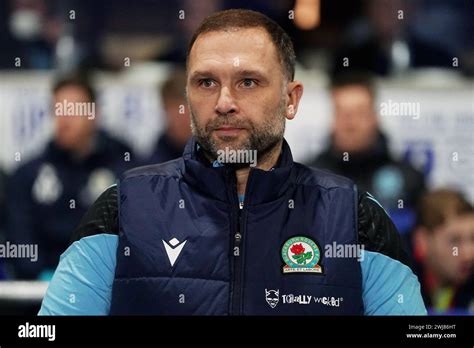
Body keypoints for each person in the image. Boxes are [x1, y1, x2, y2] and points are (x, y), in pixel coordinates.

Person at [39, 9, 425, 315]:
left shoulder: (355, 218)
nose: (224, 102)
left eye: (248, 82)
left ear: (291, 99)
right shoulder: (121, 209)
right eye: (206, 82)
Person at [5, 73, 135, 280]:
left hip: (108, 287)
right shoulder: (27, 175)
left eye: (74, 109)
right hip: (42, 291)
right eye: (58, 109)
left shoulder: (124, 172)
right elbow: (19, 238)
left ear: (95, 114)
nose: (64, 119)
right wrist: (44, 276)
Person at [306, 72, 425, 236]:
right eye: (343, 114)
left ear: (376, 118)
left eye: (359, 113)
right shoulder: (307, 180)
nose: (350, 124)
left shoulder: (410, 179)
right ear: (332, 119)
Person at [412, 190, 474, 314]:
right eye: (454, 241)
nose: (469, 254)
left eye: (473, 239)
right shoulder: (393, 278)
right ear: (422, 241)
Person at [144, 67, 192, 164]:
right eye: (175, 111)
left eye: (189, 111)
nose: (183, 119)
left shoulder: (217, 153)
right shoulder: (155, 159)